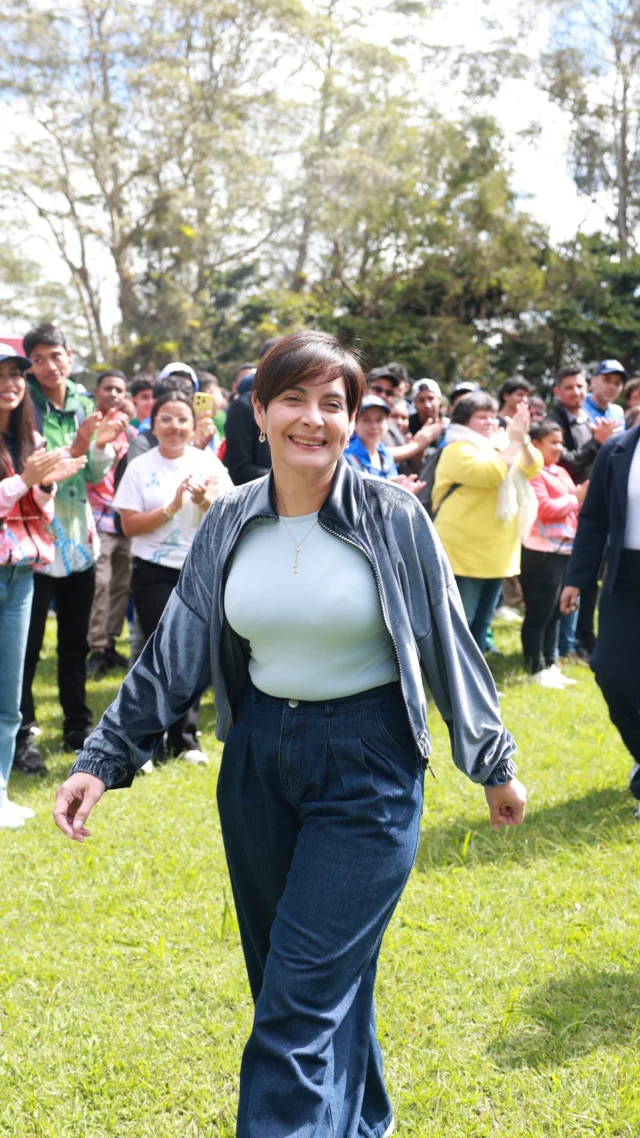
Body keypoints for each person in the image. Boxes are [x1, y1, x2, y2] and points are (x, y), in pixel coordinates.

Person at [54, 329, 527, 1138]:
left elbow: (447, 640)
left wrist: (492, 762)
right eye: (294, 400)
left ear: (350, 418)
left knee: (294, 1011)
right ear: (261, 412)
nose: (315, 419)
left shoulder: (393, 514)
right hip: (260, 763)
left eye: (333, 404)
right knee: (301, 982)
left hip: (370, 765)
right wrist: (104, 757)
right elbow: (175, 651)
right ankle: (362, 1124)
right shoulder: (231, 517)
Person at [14, 324, 126, 774]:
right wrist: (77, 446)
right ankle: (23, 734)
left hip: (79, 538)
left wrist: (100, 447)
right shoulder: (23, 403)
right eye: (37, 359)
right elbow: (30, 467)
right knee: (26, 645)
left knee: (74, 642)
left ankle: (78, 726)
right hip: (33, 538)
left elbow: (96, 473)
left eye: (54, 356)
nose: (47, 367)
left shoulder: (83, 401)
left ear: (70, 354)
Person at [112, 390, 232, 765]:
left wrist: (200, 501)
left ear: (193, 425)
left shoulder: (207, 463)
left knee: (193, 652)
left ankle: (185, 740)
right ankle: (147, 741)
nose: (174, 426)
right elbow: (129, 526)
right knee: (158, 651)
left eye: (182, 419)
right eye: (166, 418)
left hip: (198, 568)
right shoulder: (140, 466)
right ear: (154, 423)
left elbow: (227, 513)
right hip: (152, 571)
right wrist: (172, 506)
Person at [0, 345, 86, 828]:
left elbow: (39, 515)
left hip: (22, 576)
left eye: (16, 373)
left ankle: (1, 793)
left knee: (9, 697)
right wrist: (24, 482)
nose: (10, 382)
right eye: (2, 375)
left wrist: (44, 486)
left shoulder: (29, 436)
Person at [561, 421, 640, 820]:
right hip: (626, 580)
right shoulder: (618, 449)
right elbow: (593, 520)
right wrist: (576, 579)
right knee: (611, 671)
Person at [432, 391, 542, 652]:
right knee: (461, 622)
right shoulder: (456, 448)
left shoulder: (503, 444)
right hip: (464, 552)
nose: (491, 422)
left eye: (493, 416)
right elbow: (490, 474)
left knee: (482, 621)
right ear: (462, 421)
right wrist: (514, 443)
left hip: (497, 553)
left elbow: (534, 466)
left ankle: (474, 682)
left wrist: (522, 439)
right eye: (482, 417)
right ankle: (451, 682)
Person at [547, 364, 617, 659]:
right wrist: (596, 443)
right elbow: (566, 463)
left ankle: (585, 640)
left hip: (591, 507)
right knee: (571, 581)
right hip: (566, 512)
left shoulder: (590, 417)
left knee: (591, 580)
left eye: (579, 386)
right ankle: (564, 646)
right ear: (557, 391)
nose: (575, 392)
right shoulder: (554, 421)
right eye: (569, 387)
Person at [520, 420, 588, 687]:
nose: (559, 448)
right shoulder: (532, 472)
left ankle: (550, 662)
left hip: (565, 549)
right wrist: (576, 498)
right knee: (540, 610)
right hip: (540, 551)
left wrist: (578, 500)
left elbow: (573, 507)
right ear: (535, 444)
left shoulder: (560, 472)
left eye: (561, 442)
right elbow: (544, 508)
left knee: (556, 610)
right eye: (553, 442)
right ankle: (534, 666)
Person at [86, 370, 137, 679]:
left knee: (121, 585)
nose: (114, 394)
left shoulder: (131, 434)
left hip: (125, 521)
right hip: (98, 520)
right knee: (100, 585)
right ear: (96, 392)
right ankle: (95, 648)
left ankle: (110, 645)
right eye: (108, 388)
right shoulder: (90, 428)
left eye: (119, 389)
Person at [344, 395, 399, 478]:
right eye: (366, 420)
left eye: (379, 420)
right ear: (355, 423)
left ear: (387, 423)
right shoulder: (346, 456)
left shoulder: (386, 455)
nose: (374, 426)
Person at [584, 361, 626, 426]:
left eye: (617, 383)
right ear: (593, 381)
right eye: (607, 380)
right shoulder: (578, 406)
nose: (612, 387)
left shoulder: (617, 412)